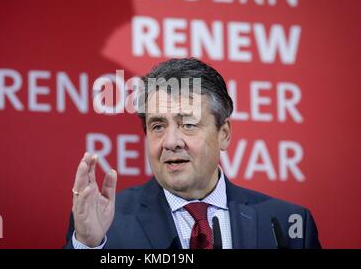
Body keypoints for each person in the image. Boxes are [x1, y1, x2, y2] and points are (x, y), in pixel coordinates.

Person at [64, 58, 321, 249]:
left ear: (224, 134)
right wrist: (88, 245)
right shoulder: (106, 224)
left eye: (188, 124)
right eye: (158, 126)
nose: (171, 142)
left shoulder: (288, 224)